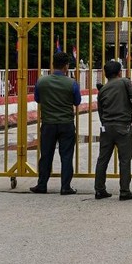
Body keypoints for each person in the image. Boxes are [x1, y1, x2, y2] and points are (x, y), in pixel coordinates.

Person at [30, 52, 82, 195]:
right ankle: (65, 186)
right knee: (66, 155)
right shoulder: (72, 83)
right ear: (66, 66)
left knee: (46, 155)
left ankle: (42, 185)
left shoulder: (41, 81)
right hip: (66, 123)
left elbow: (37, 99)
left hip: (48, 123)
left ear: (52, 65)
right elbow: (77, 102)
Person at [95, 60, 132, 200]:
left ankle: (99, 189)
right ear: (119, 72)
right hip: (123, 127)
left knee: (102, 159)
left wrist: (106, 122)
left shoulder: (102, 89)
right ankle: (124, 191)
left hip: (107, 128)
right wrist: (130, 108)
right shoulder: (124, 82)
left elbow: (100, 110)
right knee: (124, 160)